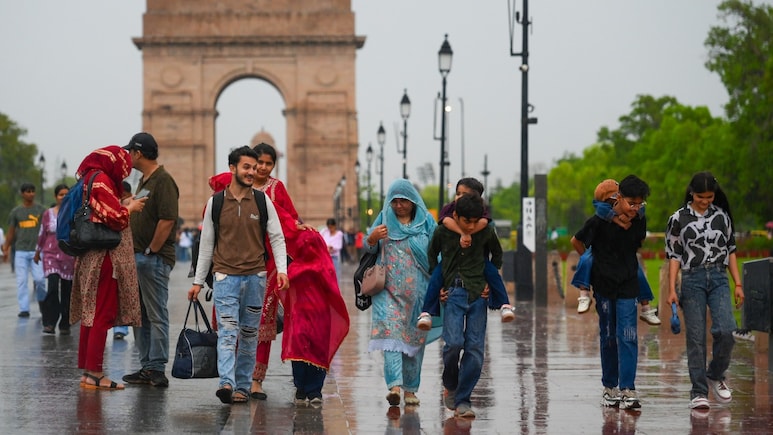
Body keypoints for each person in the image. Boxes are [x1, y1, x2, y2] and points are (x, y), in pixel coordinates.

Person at [188, 145, 289, 405]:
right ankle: (226, 382)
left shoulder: (263, 201)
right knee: (228, 331)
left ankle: (243, 386)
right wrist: (198, 282)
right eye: (247, 167)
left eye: (255, 168)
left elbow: (277, 237)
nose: (252, 172)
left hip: (255, 278)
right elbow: (206, 244)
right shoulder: (216, 202)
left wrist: (282, 271)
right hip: (225, 278)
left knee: (248, 334)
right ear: (232, 168)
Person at [665, 171, 744, 410]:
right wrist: (671, 289)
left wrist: (738, 283)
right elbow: (674, 256)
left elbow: (731, 250)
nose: (705, 201)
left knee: (727, 330)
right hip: (692, 279)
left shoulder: (722, 216)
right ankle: (698, 392)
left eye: (710, 197)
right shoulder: (678, 219)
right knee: (696, 339)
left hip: (719, 277)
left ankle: (715, 374)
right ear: (691, 192)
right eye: (701, 196)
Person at [571, 174, 650, 410]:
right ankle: (610, 388)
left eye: (640, 204)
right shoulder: (597, 221)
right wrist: (591, 259)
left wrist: (626, 219)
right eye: (631, 203)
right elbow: (577, 241)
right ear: (618, 198)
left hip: (627, 285)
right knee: (609, 337)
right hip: (604, 286)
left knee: (628, 336)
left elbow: (637, 243)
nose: (635, 208)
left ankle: (628, 389)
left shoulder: (639, 221)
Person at [70, 145, 146, 389]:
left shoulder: (89, 178)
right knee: (102, 313)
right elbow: (115, 219)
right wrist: (130, 208)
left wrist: (122, 202)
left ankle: (87, 371)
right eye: (124, 165)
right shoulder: (102, 180)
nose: (124, 172)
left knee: (90, 313)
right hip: (105, 257)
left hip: (90, 255)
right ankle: (95, 373)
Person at [249, 142, 317, 401]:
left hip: (268, 263)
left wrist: (301, 229)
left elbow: (292, 218)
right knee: (237, 321)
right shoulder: (237, 186)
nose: (264, 168)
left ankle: (256, 380)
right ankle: (234, 378)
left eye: (269, 163)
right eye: (260, 162)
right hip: (238, 261)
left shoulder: (277, 189)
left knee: (264, 322)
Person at [428, 191, 503, 419]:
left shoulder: (486, 232)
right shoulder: (443, 231)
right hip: (453, 293)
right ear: (456, 215)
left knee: (475, 349)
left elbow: (497, 256)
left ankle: (463, 399)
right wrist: (438, 284)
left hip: (478, 295)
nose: (470, 226)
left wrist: (489, 281)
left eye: (474, 221)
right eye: (465, 221)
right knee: (453, 344)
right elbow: (432, 256)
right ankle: (450, 382)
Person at [366, 178, 438, 407]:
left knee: (414, 342)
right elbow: (369, 248)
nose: (398, 206)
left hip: (419, 294)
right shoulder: (384, 219)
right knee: (390, 337)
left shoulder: (427, 222)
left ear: (413, 201)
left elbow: (439, 252)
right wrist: (373, 238)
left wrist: (442, 284)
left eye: (403, 201)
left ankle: (410, 390)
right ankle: (395, 387)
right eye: (394, 201)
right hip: (387, 291)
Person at [122, 132, 179, 388]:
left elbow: (167, 219)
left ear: (138, 153)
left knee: (156, 315)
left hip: (152, 259)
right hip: (139, 257)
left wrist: (151, 251)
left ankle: (157, 367)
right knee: (140, 315)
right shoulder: (144, 180)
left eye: (130, 152)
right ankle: (147, 366)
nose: (128, 156)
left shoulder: (163, 180)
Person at [417, 177, 513, 330]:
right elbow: (446, 221)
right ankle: (427, 311)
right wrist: (463, 233)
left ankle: (504, 304)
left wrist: (469, 231)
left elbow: (484, 223)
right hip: (451, 262)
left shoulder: (481, 212)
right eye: (457, 193)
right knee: (436, 276)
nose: (459, 197)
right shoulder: (449, 209)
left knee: (493, 273)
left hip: (478, 262)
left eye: (464, 194)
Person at [573, 179, 661, 326]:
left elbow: (639, 234)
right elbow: (576, 240)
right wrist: (617, 219)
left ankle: (646, 307)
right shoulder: (600, 211)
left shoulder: (637, 212)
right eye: (610, 198)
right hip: (599, 255)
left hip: (624, 263)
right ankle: (584, 294)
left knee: (637, 271)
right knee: (586, 260)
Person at [35, 183, 76, 335]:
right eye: (61, 194)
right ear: (55, 197)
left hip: (68, 256)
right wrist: (37, 251)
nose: (63, 197)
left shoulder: (74, 214)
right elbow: (42, 233)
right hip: (50, 255)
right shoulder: (48, 213)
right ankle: (50, 322)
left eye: (66, 194)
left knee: (67, 290)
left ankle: (65, 323)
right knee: (52, 287)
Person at [2, 182, 47, 318]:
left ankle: (42, 303)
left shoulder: (41, 210)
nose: (31, 194)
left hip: (37, 251)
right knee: (21, 280)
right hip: (21, 250)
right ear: (22, 194)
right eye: (27, 191)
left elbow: (46, 230)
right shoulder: (16, 212)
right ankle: (24, 309)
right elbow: (11, 232)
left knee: (39, 279)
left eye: (32, 191)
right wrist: (6, 248)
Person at [112, 181, 134, 341]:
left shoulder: (134, 206)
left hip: (128, 256)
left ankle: (121, 326)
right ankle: (119, 327)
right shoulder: (114, 208)